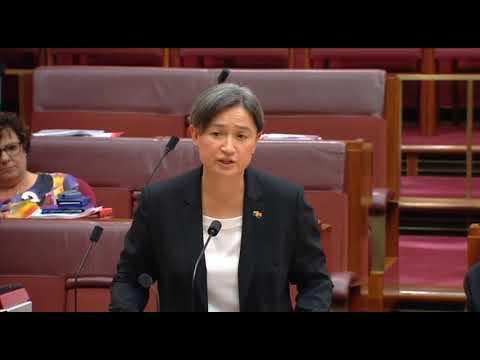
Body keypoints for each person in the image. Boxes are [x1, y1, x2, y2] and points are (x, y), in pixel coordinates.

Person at [110, 83, 333, 312]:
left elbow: (316, 283)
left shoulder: (285, 202)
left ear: (256, 141)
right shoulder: (160, 203)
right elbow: (130, 280)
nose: (228, 147)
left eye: (241, 136)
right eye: (216, 134)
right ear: (195, 135)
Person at [0, 112, 92, 219]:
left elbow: (87, 231)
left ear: (24, 147)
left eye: (12, 148)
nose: (4, 158)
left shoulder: (66, 186)